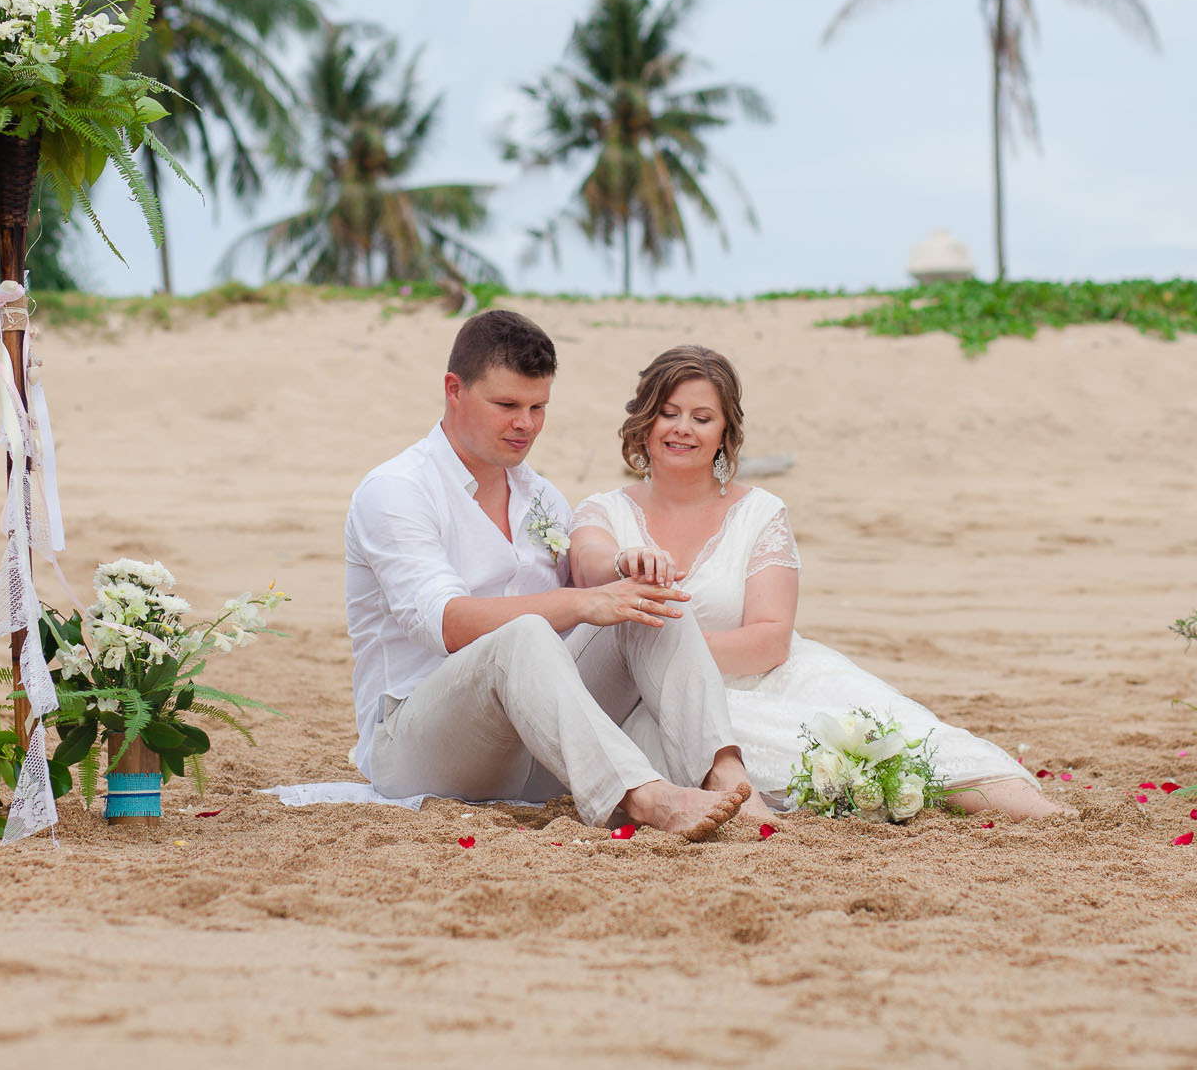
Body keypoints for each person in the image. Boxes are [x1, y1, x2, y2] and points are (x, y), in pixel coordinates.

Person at [569, 344, 1073, 821]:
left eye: (702, 418)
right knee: (792, 755)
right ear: (645, 419)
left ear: (725, 433)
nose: (683, 429)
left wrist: (674, 653)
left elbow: (770, 640)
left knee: (895, 734)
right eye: (669, 413)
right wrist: (623, 562)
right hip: (661, 705)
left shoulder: (759, 512)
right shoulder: (604, 512)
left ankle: (1046, 816)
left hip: (773, 675)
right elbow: (589, 567)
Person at [344, 310, 760, 840]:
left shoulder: (540, 495)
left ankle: (724, 771)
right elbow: (447, 624)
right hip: (416, 747)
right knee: (522, 634)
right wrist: (584, 603)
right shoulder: (397, 490)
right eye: (507, 405)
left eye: (538, 407)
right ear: (454, 390)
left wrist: (620, 573)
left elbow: (589, 602)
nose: (526, 424)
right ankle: (646, 797)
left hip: (537, 746)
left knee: (648, 602)